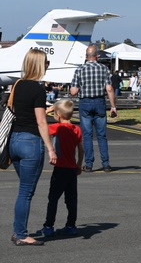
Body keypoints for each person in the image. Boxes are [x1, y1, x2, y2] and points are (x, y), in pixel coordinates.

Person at [9, 49, 59, 245]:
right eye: (46, 63)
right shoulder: (38, 89)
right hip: (30, 142)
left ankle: (19, 230)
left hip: (15, 140)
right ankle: (20, 234)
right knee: (26, 192)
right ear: (40, 65)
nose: (48, 66)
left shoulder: (17, 85)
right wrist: (51, 148)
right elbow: (41, 122)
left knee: (24, 189)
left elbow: (16, 111)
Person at [69, 44, 117, 172]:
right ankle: (106, 163)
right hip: (99, 102)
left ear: (86, 56)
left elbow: (73, 91)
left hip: (85, 102)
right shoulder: (104, 69)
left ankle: (89, 164)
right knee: (101, 135)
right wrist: (113, 106)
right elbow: (109, 89)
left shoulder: (80, 70)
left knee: (87, 135)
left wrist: (78, 87)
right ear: (97, 56)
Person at [41, 99, 84, 237]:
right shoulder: (77, 129)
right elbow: (81, 149)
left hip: (60, 168)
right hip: (71, 167)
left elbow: (41, 126)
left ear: (58, 114)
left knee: (53, 197)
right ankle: (71, 225)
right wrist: (79, 164)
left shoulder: (56, 128)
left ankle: (48, 225)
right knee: (71, 198)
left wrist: (47, 110)